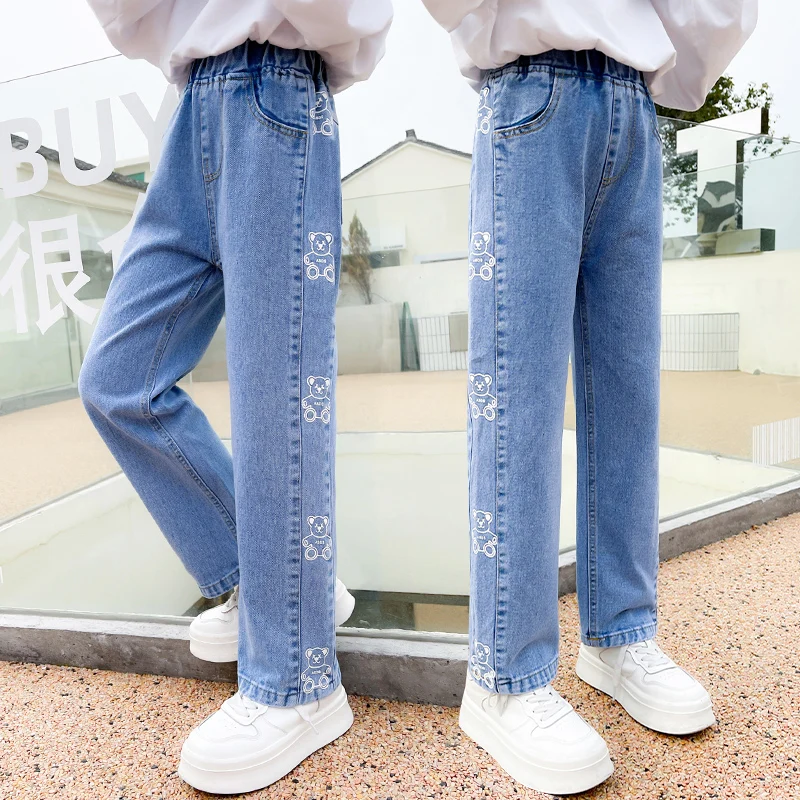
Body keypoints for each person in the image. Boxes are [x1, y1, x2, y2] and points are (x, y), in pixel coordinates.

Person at [422, 1, 757, 794]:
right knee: (518, 398)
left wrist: (679, 63)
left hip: (635, 106)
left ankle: (620, 636)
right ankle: (503, 676)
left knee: (628, 395)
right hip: (532, 88)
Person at [78, 0, 392, 794]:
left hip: (275, 90)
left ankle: (299, 683)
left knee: (276, 399)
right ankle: (269, 578)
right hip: (189, 108)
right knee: (118, 380)